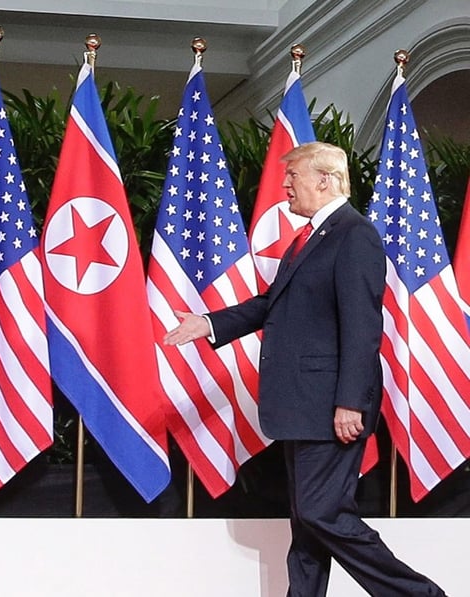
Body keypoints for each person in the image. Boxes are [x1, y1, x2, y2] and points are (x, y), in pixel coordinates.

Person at [165, 141, 445, 596]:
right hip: (303, 405)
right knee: (307, 522)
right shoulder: (310, 238)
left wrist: (350, 402)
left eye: (293, 175)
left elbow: (362, 326)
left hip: (330, 405)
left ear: (325, 180)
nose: (285, 185)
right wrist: (209, 323)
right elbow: (272, 304)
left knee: (321, 513)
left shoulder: (354, 235)